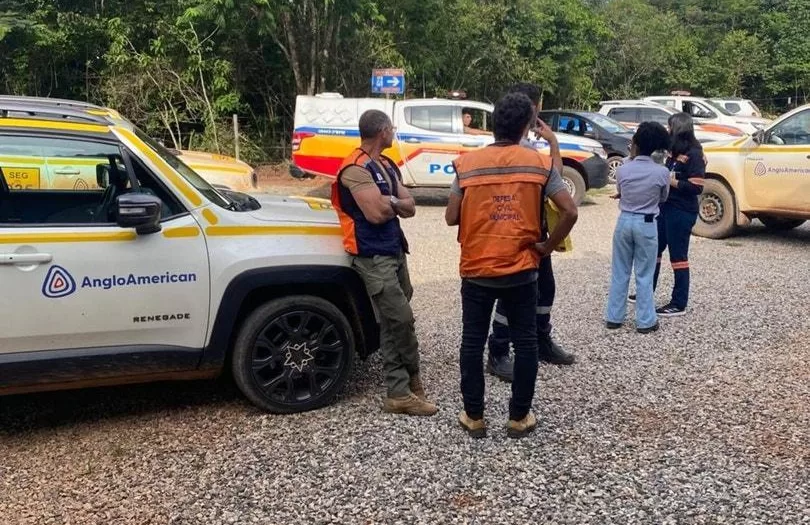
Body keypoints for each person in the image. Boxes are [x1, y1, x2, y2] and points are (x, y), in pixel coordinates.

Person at [445, 92, 576, 439]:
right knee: (527, 342)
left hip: (476, 268)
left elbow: (450, 217)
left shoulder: (467, 164)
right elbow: (570, 210)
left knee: (472, 342)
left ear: (494, 124)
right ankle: (519, 417)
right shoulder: (539, 164)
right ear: (524, 127)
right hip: (521, 269)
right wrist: (546, 247)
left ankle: (474, 417)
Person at [331, 109, 438, 416]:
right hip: (372, 256)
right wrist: (393, 203)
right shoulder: (354, 168)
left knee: (394, 321)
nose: (394, 132)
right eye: (392, 128)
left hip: (394, 250)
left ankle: (400, 390)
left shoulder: (387, 165)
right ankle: (407, 381)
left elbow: (410, 206)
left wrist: (388, 200)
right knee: (401, 318)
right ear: (382, 131)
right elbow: (375, 214)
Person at [483, 83, 579, 382]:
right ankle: (498, 351)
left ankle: (539, 342)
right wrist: (553, 143)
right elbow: (558, 180)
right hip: (522, 233)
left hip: (532, 229)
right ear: (531, 109)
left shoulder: (516, 144)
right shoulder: (523, 149)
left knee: (544, 288)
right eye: (538, 105)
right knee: (513, 294)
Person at [636, 112, 705, 317]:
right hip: (666, 208)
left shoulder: (694, 153)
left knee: (678, 256)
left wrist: (671, 181)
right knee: (654, 251)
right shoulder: (675, 152)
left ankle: (679, 303)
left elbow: (697, 187)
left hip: (682, 211)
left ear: (679, 129)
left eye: (670, 128)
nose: (668, 131)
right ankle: (647, 291)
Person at [605, 122, 672, 333]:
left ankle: (614, 317)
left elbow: (621, 190)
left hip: (624, 220)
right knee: (644, 273)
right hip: (647, 222)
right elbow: (663, 197)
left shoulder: (623, 169)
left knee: (620, 270)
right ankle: (645, 321)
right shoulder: (662, 172)